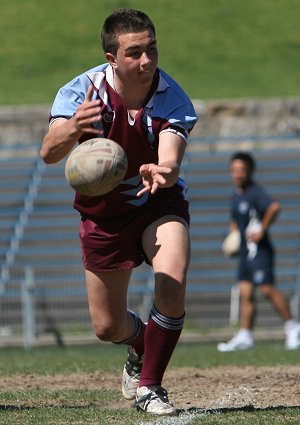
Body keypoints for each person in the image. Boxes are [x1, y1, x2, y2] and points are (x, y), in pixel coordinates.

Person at [40, 8, 197, 416]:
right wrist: (74, 126)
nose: (146, 61)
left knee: (173, 277)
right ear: (112, 58)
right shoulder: (82, 92)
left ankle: (151, 386)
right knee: (107, 327)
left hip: (157, 201)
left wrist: (164, 170)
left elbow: (171, 153)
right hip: (103, 215)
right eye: (134, 53)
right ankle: (140, 344)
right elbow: (49, 153)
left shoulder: (171, 96)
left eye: (152, 49)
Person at [218, 152, 300, 352]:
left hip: (260, 251)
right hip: (245, 253)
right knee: (246, 294)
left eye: (242, 170)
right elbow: (235, 222)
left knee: (267, 289)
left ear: (250, 171)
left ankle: (293, 327)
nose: (237, 174)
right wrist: (231, 240)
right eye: (234, 170)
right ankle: (246, 335)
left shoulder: (255, 192)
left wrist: (262, 229)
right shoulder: (236, 196)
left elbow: (274, 206)